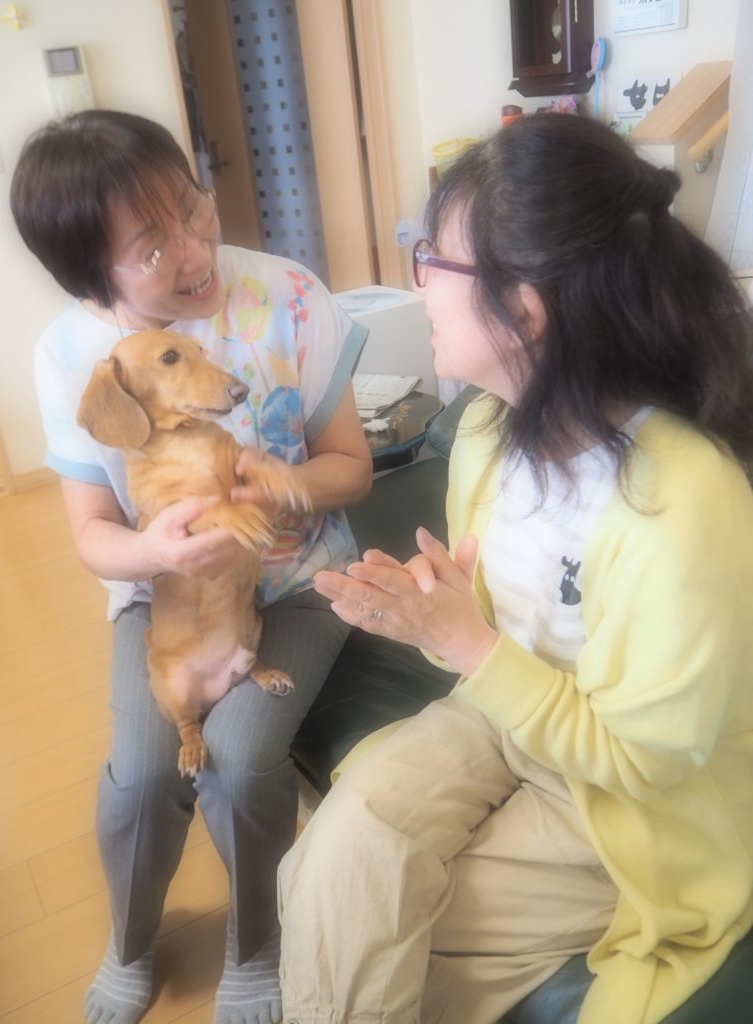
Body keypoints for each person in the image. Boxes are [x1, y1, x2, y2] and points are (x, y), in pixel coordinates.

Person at [277, 112, 753, 1024]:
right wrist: (430, 617)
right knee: (334, 864)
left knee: (387, 932)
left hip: (614, 791)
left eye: (432, 258)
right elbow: (484, 647)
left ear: (525, 306)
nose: (418, 282)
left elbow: (639, 760)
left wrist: (467, 643)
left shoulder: (684, 505)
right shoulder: (488, 432)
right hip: (499, 719)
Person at [10, 108, 372, 1024]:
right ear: (93, 276)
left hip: (297, 582)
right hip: (165, 597)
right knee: (140, 775)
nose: (193, 251)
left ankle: (256, 945)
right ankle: (131, 940)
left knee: (242, 760)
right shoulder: (72, 359)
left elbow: (351, 468)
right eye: (150, 246)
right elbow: (92, 532)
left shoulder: (289, 297)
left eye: (190, 207)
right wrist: (153, 551)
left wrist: (278, 490)